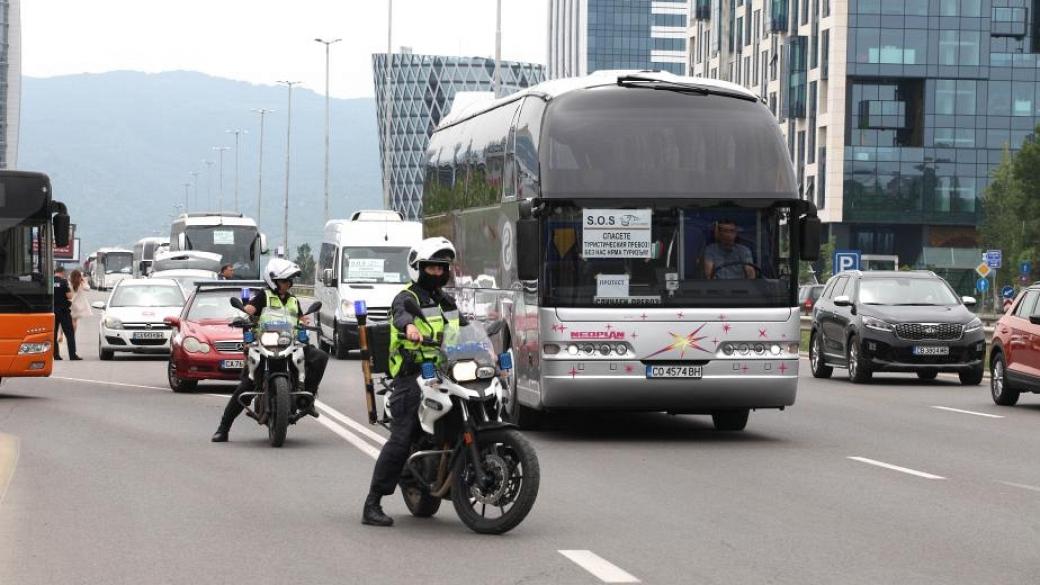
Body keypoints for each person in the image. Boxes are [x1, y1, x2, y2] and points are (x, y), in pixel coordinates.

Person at [363, 237, 459, 527]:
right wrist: (408, 327)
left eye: (442, 268)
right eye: (431, 268)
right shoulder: (407, 297)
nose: (438, 274)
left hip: (444, 373)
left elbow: (463, 326)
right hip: (412, 376)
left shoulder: (446, 301)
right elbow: (401, 315)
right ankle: (372, 503)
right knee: (402, 438)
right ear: (418, 268)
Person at [211, 258, 329, 442]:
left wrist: (304, 323)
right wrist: (241, 317)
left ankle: (309, 397)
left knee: (320, 356)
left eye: (289, 281)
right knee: (246, 386)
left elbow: (300, 319)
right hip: (264, 344)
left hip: (289, 343)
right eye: (284, 281)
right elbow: (248, 311)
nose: (288, 284)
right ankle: (223, 428)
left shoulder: (293, 300)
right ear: (273, 281)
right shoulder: (263, 296)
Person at [53, 266, 81, 360]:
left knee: (53, 333)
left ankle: (56, 355)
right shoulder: (63, 282)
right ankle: (72, 355)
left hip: (52, 311)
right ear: (62, 272)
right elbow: (69, 296)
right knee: (69, 333)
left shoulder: (49, 281)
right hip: (63, 311)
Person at [68, 269, 92, 334]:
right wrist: (84, 281)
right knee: (75, 321)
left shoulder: (70, 283)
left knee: (70, 320)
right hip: (78, 306)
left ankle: (68, 334)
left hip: (71, 304)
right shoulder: (81, 284)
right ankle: (73, 334)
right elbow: (88, 288)